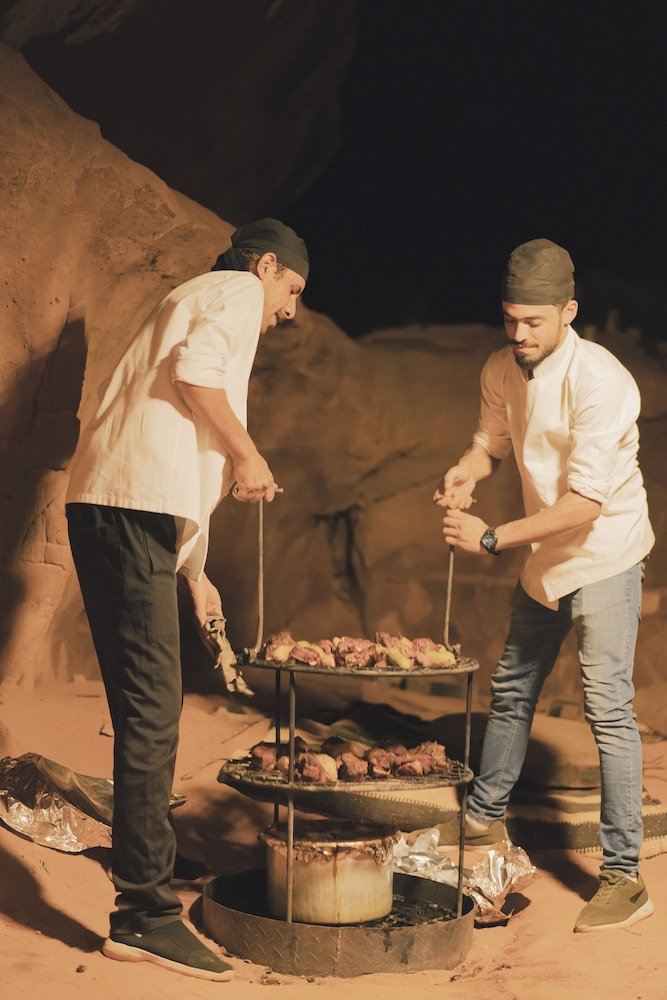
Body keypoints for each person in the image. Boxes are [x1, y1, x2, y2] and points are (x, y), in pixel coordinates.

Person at [65, 218, 309, 980]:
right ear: (267, 267)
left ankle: (149, 871)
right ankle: (141, 913)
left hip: (115, 510)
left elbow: (161, 440)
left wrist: (194, 573)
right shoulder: (236, 289)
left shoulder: (192, 292)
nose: (291, 310)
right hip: (128, 513)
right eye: (293, 290)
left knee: (149, 699)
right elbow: (194, 378)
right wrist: (250, 456)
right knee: (153, 707)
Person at [434, 238, 655, 933]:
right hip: (543, 557)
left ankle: (624, 876)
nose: (518, 334)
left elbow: (585, 505)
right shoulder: (501, 367)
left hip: (603, 552)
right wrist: (468, 470)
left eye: (532, 322)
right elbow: (490, 442)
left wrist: (492, 537)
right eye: (509, 320)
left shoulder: (602, 380)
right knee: (511, 686)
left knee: (606, 709)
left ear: (568, 311)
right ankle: (481, 820)